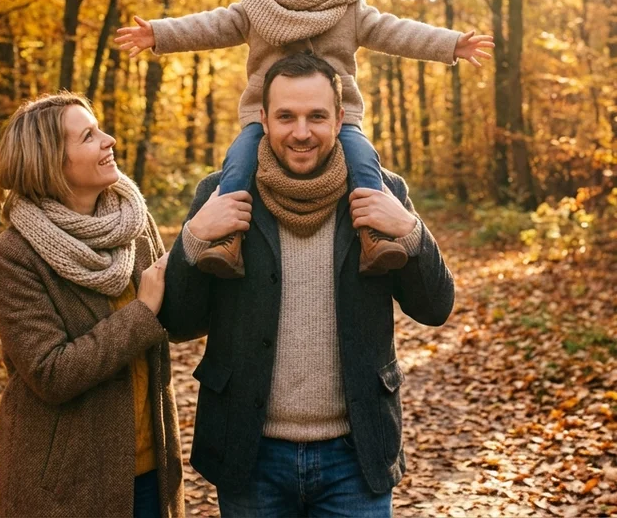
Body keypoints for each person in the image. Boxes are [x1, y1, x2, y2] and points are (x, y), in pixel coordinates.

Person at [115, 0, 492, 279]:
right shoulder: (257, 7)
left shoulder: (348, 8)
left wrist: (451, 44)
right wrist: (159, 34)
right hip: (265, 120)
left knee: (363, 160)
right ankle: (226, 241)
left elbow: (398, 32)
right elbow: (212, 25)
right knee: (239, 161)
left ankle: (373, 236)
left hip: (337, 116)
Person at [158, 52, 455, 518]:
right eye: (286, 117)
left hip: (356, 457)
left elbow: (436, 308)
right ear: (263, 119)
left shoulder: (381, 191)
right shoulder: (222, 193)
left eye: (316, 116)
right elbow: (178, 322)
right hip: (249, 452)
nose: (301, 132)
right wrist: (193, 239)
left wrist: (410, 230)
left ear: (340, 118)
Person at [0, 93, 184, 518]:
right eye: (89, 136)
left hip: (153, 469)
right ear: (51, 163)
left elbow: (176, 318)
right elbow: (50, 372)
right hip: (65, 484)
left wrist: (203, 246)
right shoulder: (14, 255)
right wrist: (142, 311)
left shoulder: (132, 221)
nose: (109, 139)